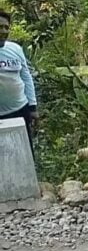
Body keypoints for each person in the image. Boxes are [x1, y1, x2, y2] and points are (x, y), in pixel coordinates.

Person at [0, 10, 38, 154]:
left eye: (6, 27)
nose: (3, 31)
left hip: (19, 111)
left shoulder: (15, 49)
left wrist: (33, 107)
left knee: (24, 153)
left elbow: (26, 76)